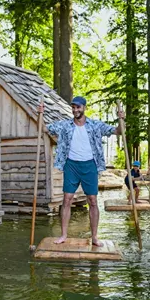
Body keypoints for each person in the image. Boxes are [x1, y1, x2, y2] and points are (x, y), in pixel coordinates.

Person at [44, 96, 125, 247]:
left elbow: (118, 131)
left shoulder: (95, 125)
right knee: (67, 199)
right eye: (73, 107)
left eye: (78, 107)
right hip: (71, 165)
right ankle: (63, 235)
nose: (75, 110)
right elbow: (44, 128)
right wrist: (39, 115)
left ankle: (94, 237)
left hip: (90, 165)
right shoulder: (65, 125)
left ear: (84, 108)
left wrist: (121, 120)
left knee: (92, 201)